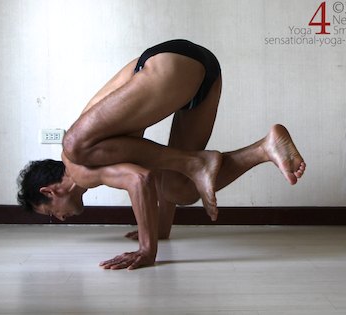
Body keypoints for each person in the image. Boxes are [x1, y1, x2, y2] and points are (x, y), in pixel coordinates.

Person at [17, 39, 306, 270]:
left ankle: (197, 162)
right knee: (180, 189)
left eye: (50, 213)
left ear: (50, 191)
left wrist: (147, 248)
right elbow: (152, 170)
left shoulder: (78, 166)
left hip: (165, 65)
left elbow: (139, 179)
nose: (60, 218)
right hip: (199, 71)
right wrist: (160, 229)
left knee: (73, 143)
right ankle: (265, 148)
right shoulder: (101, 155)